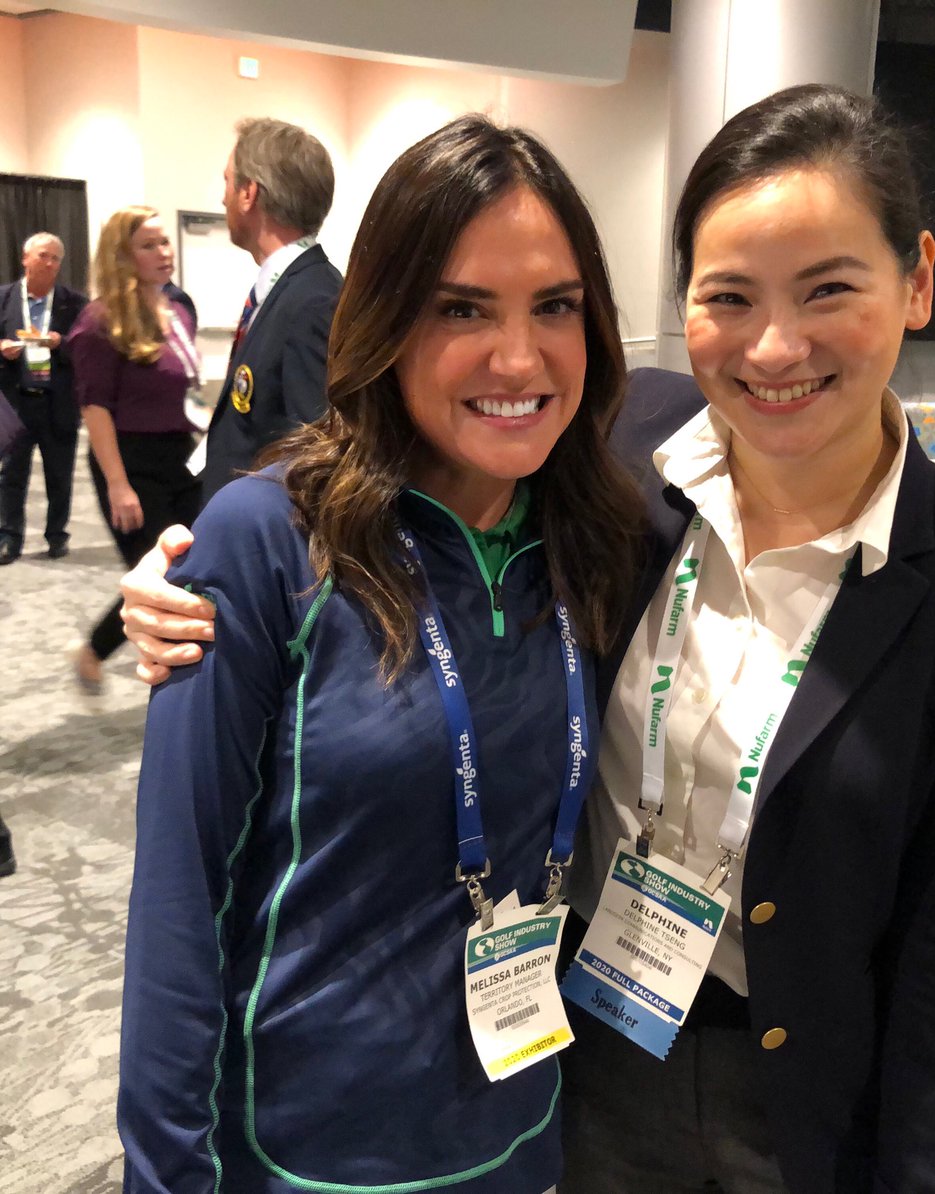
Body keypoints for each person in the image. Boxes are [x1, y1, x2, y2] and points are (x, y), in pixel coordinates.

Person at [121, 86, 935, 1194]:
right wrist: (190, 580)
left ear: (915, 282)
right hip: (583, 1067)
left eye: (830, 289)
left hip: (800, 1102)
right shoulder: (623, 463)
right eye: (730, 295)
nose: (776, 346)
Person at [117, 117, 642, 1192]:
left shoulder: (596, 541)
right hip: (298, 1158)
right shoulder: (269, 542)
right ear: (388, 321)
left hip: (519, 1137)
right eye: (461, 309)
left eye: (556, 307)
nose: (518, 357)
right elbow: (179, 911)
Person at [67, 207, 203, 693]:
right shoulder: (100, 321)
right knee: (160, 577)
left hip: (181, 454)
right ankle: (103, 653)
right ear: (123, 256)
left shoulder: (179, 310)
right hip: (129, 460)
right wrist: (118, 485)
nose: (164, 253)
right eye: (149, 245)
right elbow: (95, 408)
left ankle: (155, 664)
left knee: (197, 563)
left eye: (165, 242)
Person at [199, 116, 341, 504]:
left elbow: (318, 457)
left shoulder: (313, 302)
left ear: (249, 193)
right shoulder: (288, 289)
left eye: (227, 182)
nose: (222, 198)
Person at [0, 232, 87, 564]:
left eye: (55, 258)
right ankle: (9, 537)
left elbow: (86, 351)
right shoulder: (4, 298)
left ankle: (56, 535)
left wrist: (60, 344)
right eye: (43, 256)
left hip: (57, 402)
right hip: (15, 401)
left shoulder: (75, 303)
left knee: (59, 473)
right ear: (25, 258)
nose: (49, 263)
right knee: (11, 474)